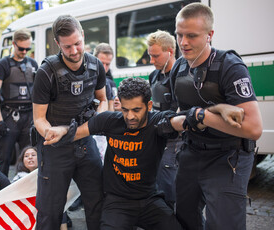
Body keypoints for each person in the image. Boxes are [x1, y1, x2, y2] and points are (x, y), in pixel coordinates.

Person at [44, 77, 245, 230]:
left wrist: (215, 110)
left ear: (149, 106)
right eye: (125, 109)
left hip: (150, 200)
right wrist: (60, 130)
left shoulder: (157, 122)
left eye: (136, 110)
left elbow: (185, 120)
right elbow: (78, 132)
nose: (130, 116)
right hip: (117, 203)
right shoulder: (109, 121)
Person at [170, 3, 263, 230]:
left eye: (191, 36)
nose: (183, 43)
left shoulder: (230, 67)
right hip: (192, 152)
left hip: (228, 156)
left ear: (210, 35)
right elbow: (179, 115)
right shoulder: (179, 67)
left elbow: (253, 128)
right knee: (184, 218)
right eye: (179, 35)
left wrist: (201, 116)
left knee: (223, 224)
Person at [32, 14, 108, 229]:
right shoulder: (46, 73)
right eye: (67, 47)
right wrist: (49, 132)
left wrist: (99, 117)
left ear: (83, 35)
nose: (74, 51)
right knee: (50, 210)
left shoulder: (95, 65)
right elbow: (38, 118)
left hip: (85, 143)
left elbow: (103, 100)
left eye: (77, 43)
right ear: (57, 43)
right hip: (54, 148)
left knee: (97, 202)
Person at [0, 29, 38, 176]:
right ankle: (0, 193)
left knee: (31, 158)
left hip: (29, 116)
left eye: (27, 49)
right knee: (2, 158)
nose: (24, 51)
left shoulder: (33, 64)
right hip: (10, 116)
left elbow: (39, 93)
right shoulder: (3, 65)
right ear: (14, 44)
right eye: (21, 48)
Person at [146, 30, 183, 208]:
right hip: (156, 137)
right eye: (150, 56)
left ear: (170, 51)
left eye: (155, 56)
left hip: (174, 141)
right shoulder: (154, 75)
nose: (152, 61)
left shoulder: (181, 76)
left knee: (169, 189)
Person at [12, 146, 71, 230]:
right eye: (26, 156)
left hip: (47, 209)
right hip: (28, 210)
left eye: (33, 155)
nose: (30, 158)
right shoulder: (17, 180)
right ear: (22, 161)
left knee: (58, 200)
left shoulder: (48, 175)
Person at [93, 43, 117, 111]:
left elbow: (111, 110)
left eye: (107, 64)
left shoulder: (109, 83)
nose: (103, 67)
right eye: (101, 63)